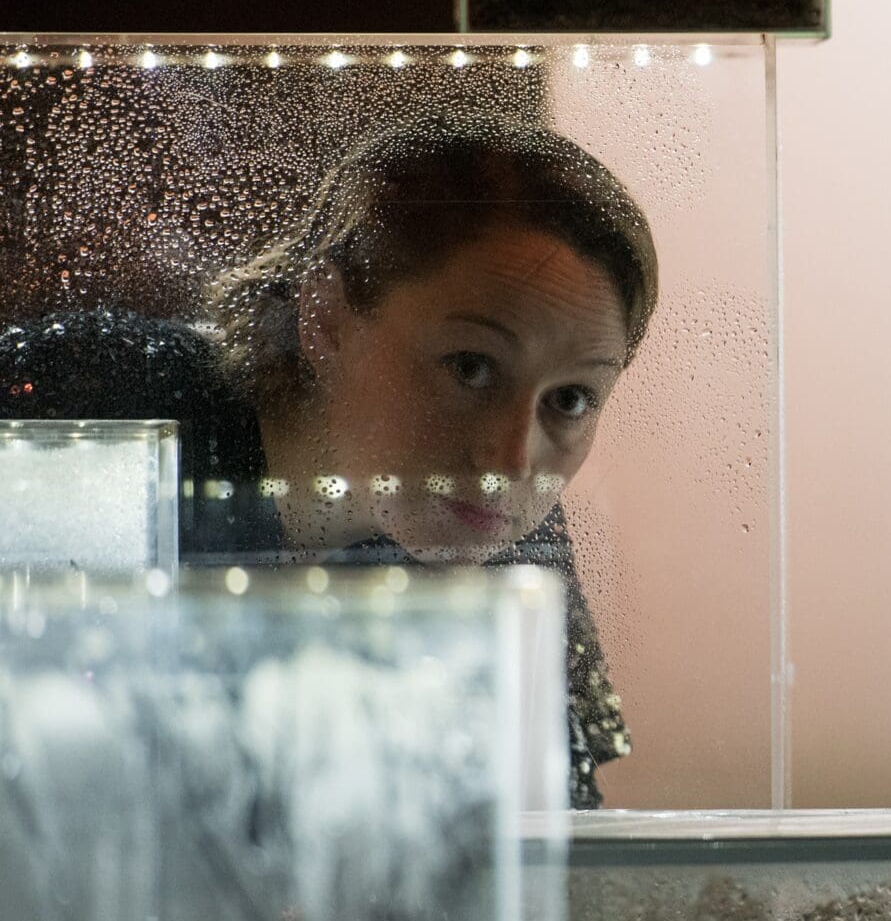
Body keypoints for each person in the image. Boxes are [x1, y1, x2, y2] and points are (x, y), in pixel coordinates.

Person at [0, 114, 657, 808]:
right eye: (470, 367)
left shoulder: (493, 528)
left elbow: (557, 830)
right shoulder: (101, 396)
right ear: (325, 318)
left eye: (571, 400)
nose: (513, 458)